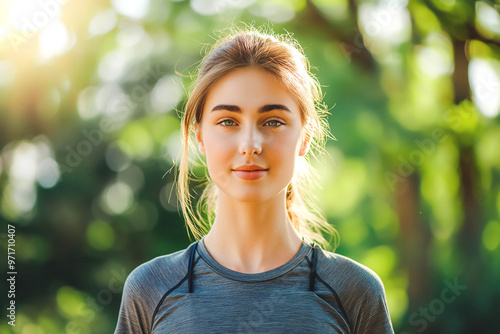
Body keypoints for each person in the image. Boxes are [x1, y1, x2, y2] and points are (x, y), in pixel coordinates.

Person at [114, 26, 395, 333]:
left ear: (304, 138)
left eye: (273, 121)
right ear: (200, 138)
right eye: (228, 121)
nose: (250, 144)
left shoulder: (355, 292)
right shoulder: (149, 290)